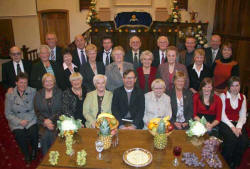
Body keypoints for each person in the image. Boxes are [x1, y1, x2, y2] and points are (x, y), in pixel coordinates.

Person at [5, 73, 38, 163]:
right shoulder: (9, 95)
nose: (23, 85)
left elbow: (35, 108)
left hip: (30, 118)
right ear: (16, 83)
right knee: (19, 134)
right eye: (21, 82)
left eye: (25, 83)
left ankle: (34, 150)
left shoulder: (33, 91)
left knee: (33, 131)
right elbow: (8, 113)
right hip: (16, 120)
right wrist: (19, 121)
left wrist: (27, 120)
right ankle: (26, 154)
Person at [219, 76, 248, 169]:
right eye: (232, 86)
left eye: (237, 85)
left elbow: (243, 115)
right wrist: (233, 128)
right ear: (229, 87)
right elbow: (222, 115)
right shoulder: (223, 95)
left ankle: (235, 163)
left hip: (238, 123)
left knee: (244, 141)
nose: (235, 88)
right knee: (231, 140)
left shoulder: (243, 97)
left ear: (240, 86)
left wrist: (239, 127)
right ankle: (225, 162)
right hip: (226, 123)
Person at [34, 73, 62, 155]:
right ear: (43, 83)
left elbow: (61, 110)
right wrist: (44, 121)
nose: (49, 83)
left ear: (54, 82)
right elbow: (37, 111)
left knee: (53, 134)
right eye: (46, 81)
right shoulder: (38, 94)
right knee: (44, 136)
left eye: (51, 81)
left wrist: (50, 120)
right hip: (43, 122)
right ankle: (46, 159)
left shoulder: (59, 92)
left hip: (57, 120)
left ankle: (56, 158)